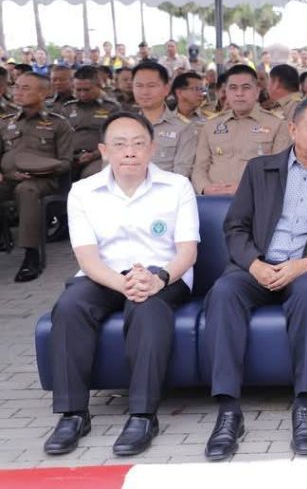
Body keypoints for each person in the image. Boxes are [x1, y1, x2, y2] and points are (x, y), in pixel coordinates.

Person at [202, 99, 307, 461]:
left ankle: (304, 404)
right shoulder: (260, 169)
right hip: (257, 266)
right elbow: (235, 226)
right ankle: (228, 410)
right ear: (293, 130)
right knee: (223, 292)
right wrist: (254, 264)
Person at [43, 112, 199, 457]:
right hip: (104, 274)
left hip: (163, 274)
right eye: (120, 144)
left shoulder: (177, 186)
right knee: (69, 307)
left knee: (147, 307)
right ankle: (72, 414)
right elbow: (87, 257)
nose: (130, 151)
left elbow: (188, 251)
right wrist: (123, 283)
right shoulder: (83, 192)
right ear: (104, 150)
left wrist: (157, 279)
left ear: (152, 148)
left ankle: (143, 415)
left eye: (138, 143)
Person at [0, 73, 73, 281]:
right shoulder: (5, 122)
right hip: (9, 178)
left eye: (25, 88)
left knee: (27, 190)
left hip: (43, 180)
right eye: (16, 87)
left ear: (43, 93)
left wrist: (36, 170)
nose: (18, 92)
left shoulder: (58, 124)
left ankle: (31, 256)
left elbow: (66, 162)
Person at [192, 65, 291, 195]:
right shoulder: (210, 125)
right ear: (226, 92)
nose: (239, 93)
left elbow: (281, 171)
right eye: (233, 88)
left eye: (246, 87)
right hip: (214, 199)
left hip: (257, 199)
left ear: (257, 91)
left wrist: (247, 189)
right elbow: (199, 168)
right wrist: (205, 188)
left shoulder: (278, 125)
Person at [132, 61, 199, 179]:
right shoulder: (123, 126)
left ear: (166, 89)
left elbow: (181, 174)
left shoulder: (184, 127)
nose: (144, 92)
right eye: (139, 86)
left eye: (151, 86)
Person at [65, 66, 121, 180]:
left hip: (99, 157)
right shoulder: (68, 108)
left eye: (87, 90)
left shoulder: (111, 108)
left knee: (91, 176)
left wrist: (94, 154)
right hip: (71, 158)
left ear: (98, 86)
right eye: (78, 90)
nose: (82, 94)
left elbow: (116, 139)